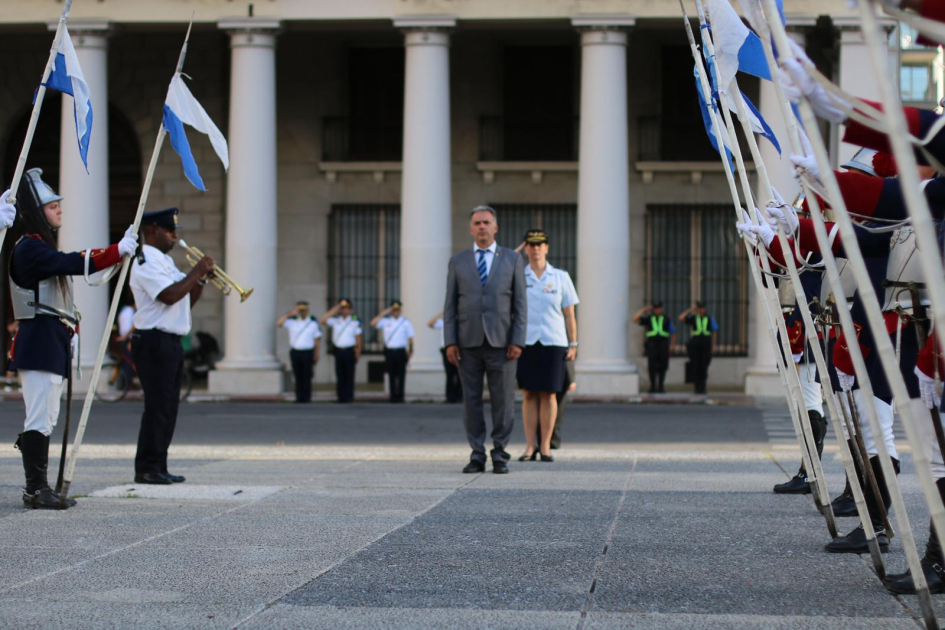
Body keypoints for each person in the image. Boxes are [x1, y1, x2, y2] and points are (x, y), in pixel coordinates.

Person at [7, 168, 137, 508]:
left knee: (47, 415)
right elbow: (68, 262)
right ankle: (36, 489)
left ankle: (40, 487)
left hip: (52, 337)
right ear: (36, 212)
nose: (59, 209)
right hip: (38, 339)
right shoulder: (29, 249)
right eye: (52, 206)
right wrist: (113, 250)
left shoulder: (38, 247)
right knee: (39, 415)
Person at [130, 207, 213, 485]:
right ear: (152, 231)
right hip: (153, 340)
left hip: (169, 341)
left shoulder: (165, 262)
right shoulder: (145, 261)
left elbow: (185, 300)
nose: (175, 236)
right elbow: (168, 296)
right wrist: (196, 270)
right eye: (169, 230)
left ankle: (159, 465)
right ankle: (147, 467)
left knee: (168, 407)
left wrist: (199, 279)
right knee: (157, 406)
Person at [444, 205, 526, 475]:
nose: (482, 227)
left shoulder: (512, 260)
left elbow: (520, 305)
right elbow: (450, 305)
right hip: (467, 344)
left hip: (503, 344)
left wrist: (518, 340)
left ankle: (500, 454)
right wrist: (450, 341)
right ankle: (477, 454)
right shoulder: (458, 261)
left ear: (495, 227)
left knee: (503, 402)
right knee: (471, 402)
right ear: (470, 228)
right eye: (477, 223)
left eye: (486, 223)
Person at [515, 229, 578, 463]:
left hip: (554, 341)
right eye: (531, 244)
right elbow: (498, 275)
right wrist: (514, 254)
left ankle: (546, 445)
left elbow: (569, 313)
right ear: (526, 248)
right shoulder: (519, 275)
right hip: (527, 341)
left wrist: (573, 343)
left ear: (547, 248)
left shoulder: (560, 276)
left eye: (540, 244)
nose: (535, 248)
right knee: (529, 393)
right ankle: (530, 446)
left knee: (550, 393)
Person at [277, 301, 322, 403]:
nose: (302, 313)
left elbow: (317, 340)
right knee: (297, 375)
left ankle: (307, 396)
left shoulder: (312, 322)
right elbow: (279, 323)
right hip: (296, 352)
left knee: (307, 375)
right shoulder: (292, 321)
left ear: (307, 311)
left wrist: (316, 354)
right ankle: (299, 396)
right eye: (300, 310)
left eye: (304, 310)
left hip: (308, 352)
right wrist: (290, 313)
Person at [371, 300, 414, 403]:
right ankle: (392, 396)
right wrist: (384, 312)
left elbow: (410, 338)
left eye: (397, 310)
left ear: (400, 310)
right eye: (394, 310)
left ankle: (401, 396)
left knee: (401, 375)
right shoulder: (386, 321)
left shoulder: (406, 322)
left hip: (401, 351)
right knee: (391, 374)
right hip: (389, 351)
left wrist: (410, 351)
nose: (396, 312)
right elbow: (373, 323)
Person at [320, 299, 363, 403]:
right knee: (339, 374)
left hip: (349, 350)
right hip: (338, 351)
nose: (344, 310)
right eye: (342, 308)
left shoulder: (354, 321)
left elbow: (359, 338)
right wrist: (334, 310)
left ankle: (349, 396)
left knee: (349, 374)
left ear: (350, 310)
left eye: (346, 308)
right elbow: (322, 320)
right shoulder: (335, 320)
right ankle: (340, 396)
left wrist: (358, 352)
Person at [633, 300, 676, 393]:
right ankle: (653, 387)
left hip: (663, 344)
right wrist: (645, 309)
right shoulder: (649, 318)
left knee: (663, 366)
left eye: (659, 308)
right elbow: (635, 318)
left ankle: (660, 387)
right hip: (652, 344)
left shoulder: (667, 318)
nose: (657, 310)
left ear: (662, 308)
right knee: (652, 366)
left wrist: (672, 345)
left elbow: (673, 332)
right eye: (655, 308)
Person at [678, 301, 718, 395]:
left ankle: (702, 387)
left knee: (704, 366)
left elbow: (714, 331)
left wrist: (714, 345)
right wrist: (690, 310)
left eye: (702, 308)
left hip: (706, 342)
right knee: (695, 365)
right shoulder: (693, 317)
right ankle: (696, 388)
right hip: (695, 342)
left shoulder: (709, 318)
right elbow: (681, 318)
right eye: (699, 308)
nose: (701, 310)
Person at [428, 311, 462, 403]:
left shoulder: (460, 321)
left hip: (459, 349)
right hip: (446, 350)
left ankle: (459, 396)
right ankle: (450, 396)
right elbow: (430, 323)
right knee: (449, 374)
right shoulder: (443, 322)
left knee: (459, 374)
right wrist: (442, 312)